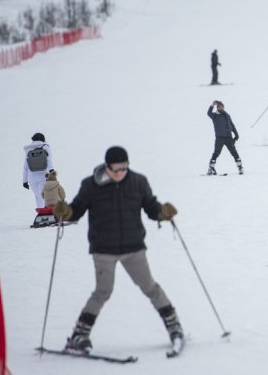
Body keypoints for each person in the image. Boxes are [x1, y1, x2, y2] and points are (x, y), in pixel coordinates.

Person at [52, 146, 183, 352]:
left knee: (150, 287)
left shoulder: (138, 182)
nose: (121, 173)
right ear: (107, 167)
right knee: (102, 291)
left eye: (124, 168)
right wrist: (66, 212)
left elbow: (151, 207)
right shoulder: (90, 185)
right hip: (103, 249)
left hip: (133, 247)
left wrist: (162, 213)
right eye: (116, 169)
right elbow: (76, 210)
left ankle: (174, 326)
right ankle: (79, 335)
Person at [206, 101, 243, 175]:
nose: (221, 108)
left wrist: (236, 134)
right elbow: (208, 113)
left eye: (222, 106)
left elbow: (232, 125)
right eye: (219, 106)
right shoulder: (215, 115)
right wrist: (212, 105)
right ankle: (211, 168)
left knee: (234, 152)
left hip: (229, 137)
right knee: (216, 152)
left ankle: (240, 167)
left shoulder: (227, 115)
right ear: (217, 108)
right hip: (220, 138)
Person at [23, 132, 55, 209]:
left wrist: (25, 181)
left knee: (37, 196)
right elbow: (49, 161)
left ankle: (41, 211)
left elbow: (25, 166)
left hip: (31, 177)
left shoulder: (29, 149)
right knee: (42, 195)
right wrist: (52, 171)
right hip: (42, 175)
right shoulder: (45, 147)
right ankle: (44, 212)